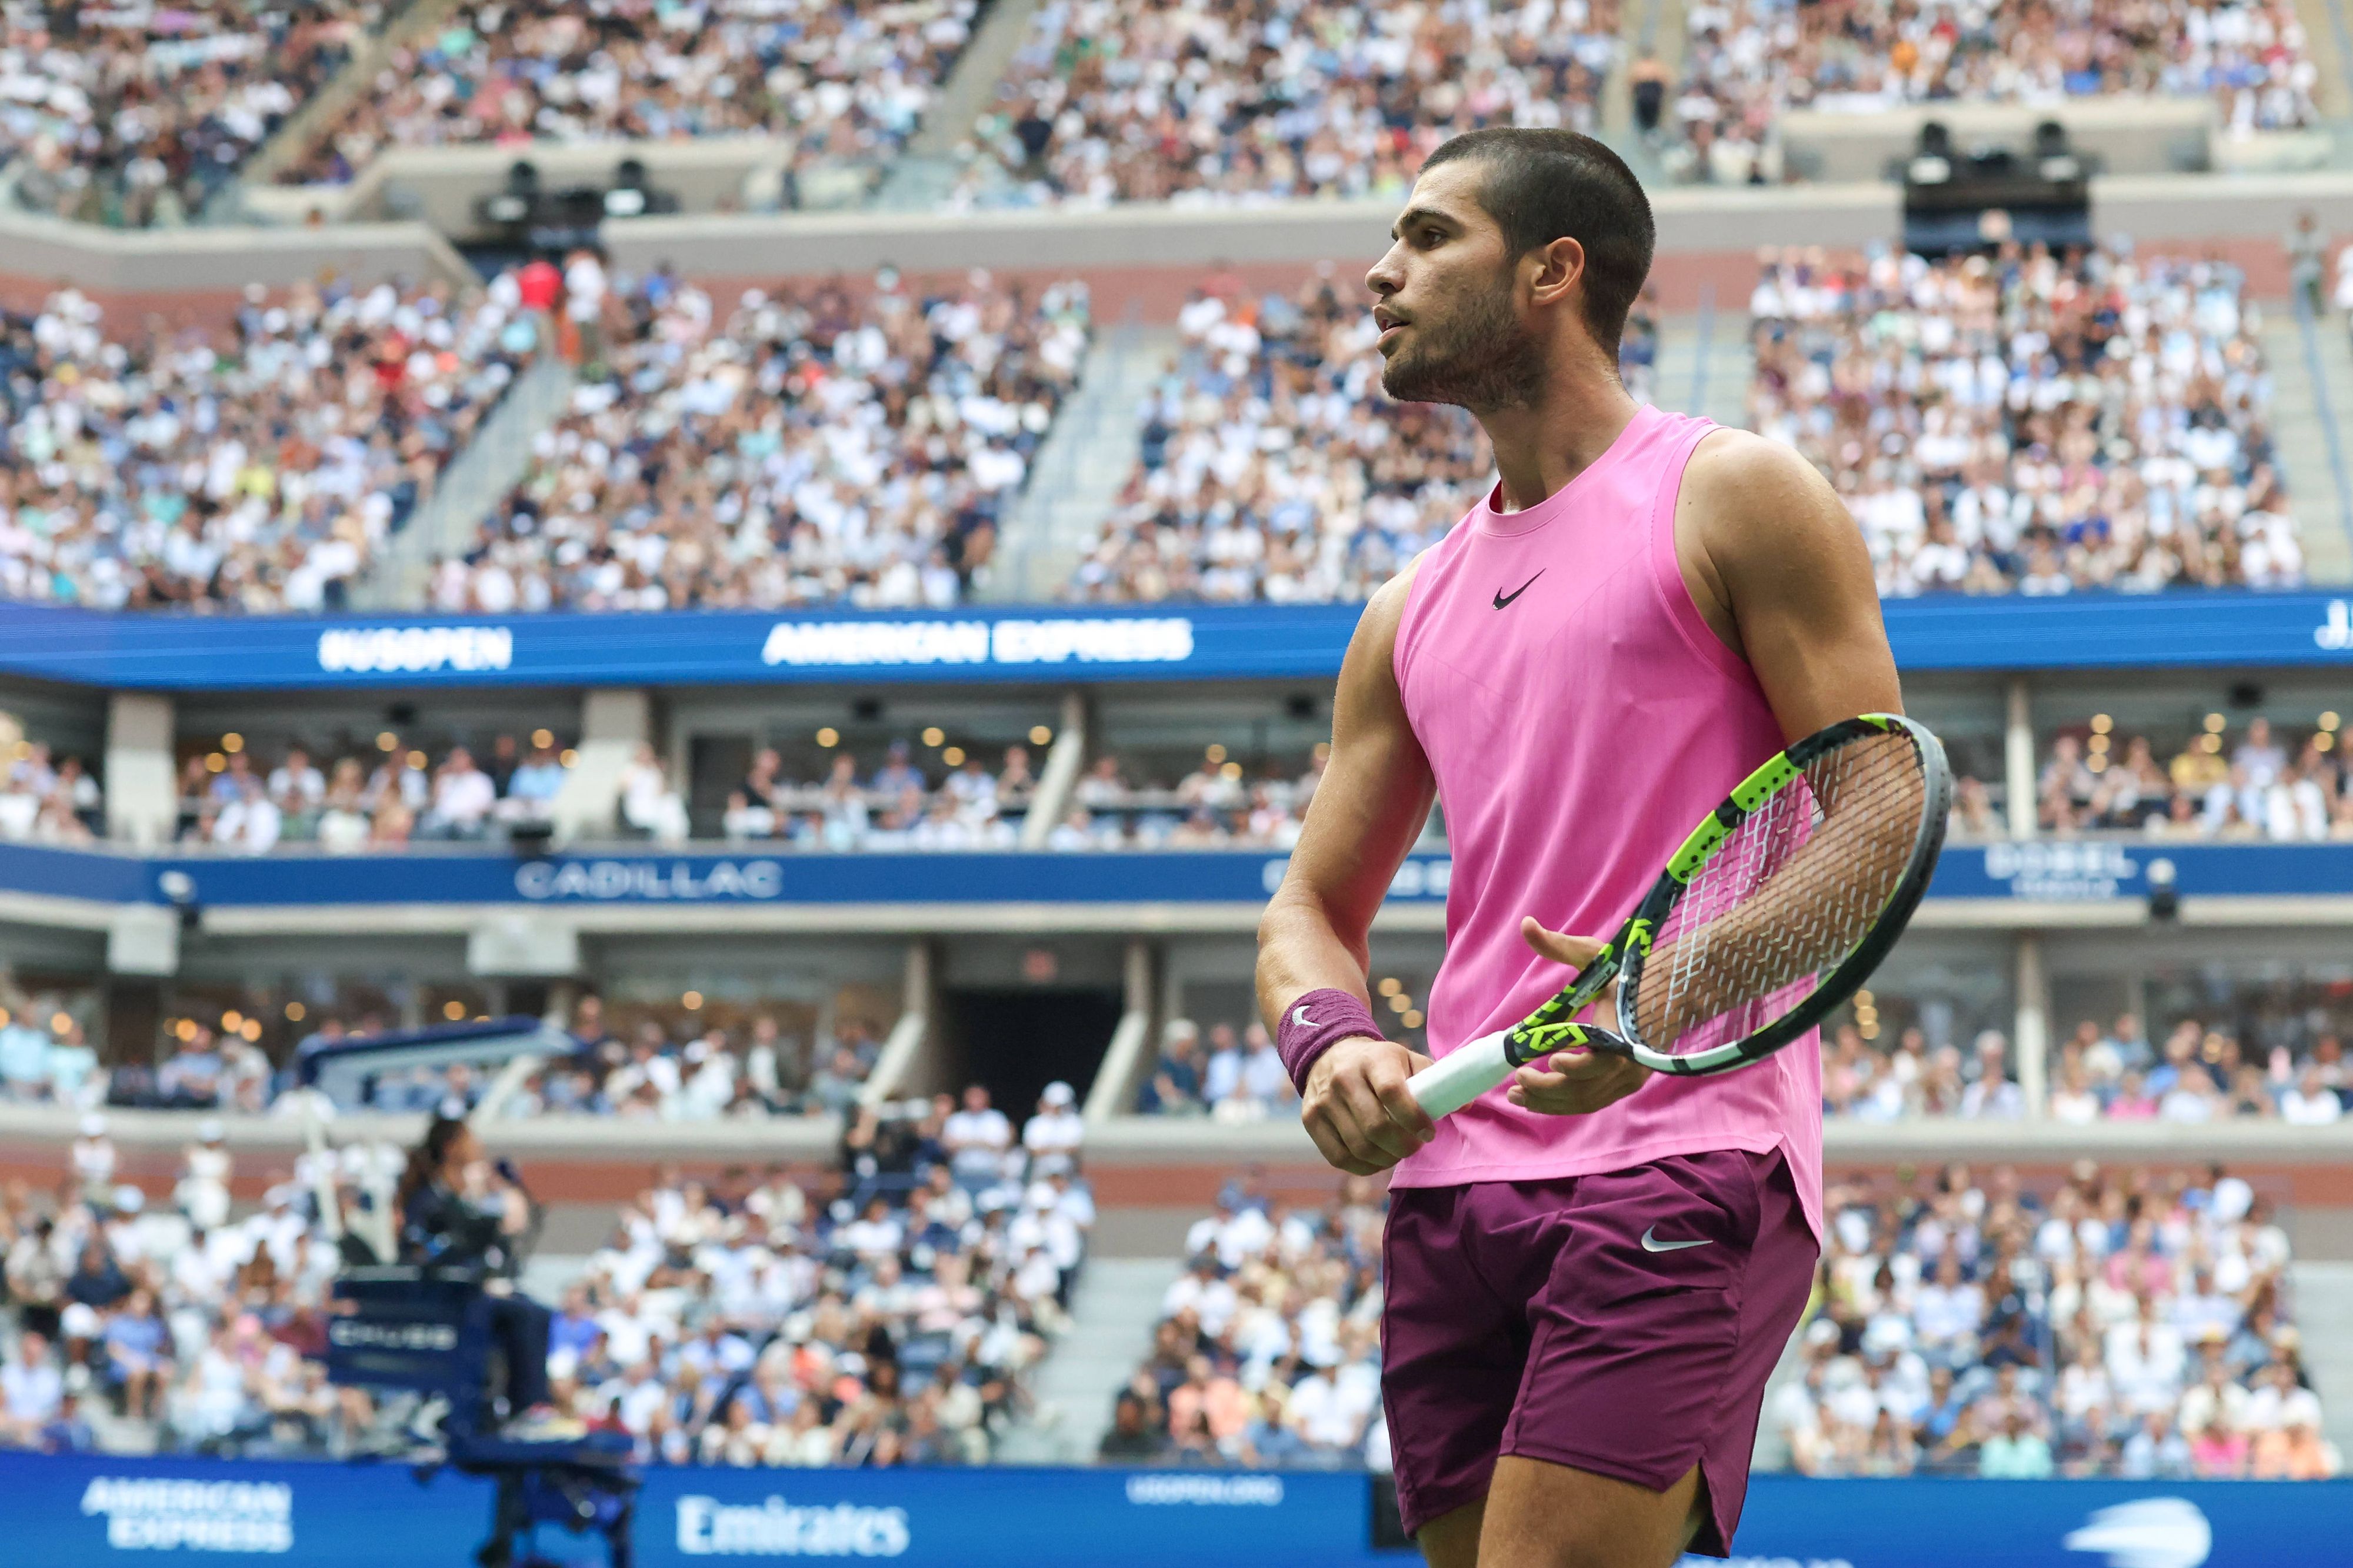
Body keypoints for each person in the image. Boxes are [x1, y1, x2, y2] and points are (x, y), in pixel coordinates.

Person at [1257, 129, 1894, 1566]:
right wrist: (1327, 1039)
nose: (1378, 271)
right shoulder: (1402, 605)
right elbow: (1306, 907)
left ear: (1551, 270)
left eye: (1427, 237)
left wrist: (1667, 990)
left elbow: (1885, 806)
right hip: (1453, 1174)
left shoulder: (1735, 494)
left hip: (1683, 1143)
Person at [392, 1116, 560, 1433]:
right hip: (448, 1302)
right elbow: (429, 1254)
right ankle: (526, 1406)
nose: (479, 1147)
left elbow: (483, 1236)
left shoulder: (449, 1197)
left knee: (533, 1311)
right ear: (451, 1147)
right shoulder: (429, 1199)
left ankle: (528, 1406)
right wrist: (479, 1278)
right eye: (470, 1140)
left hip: (464, 1296)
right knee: (526, 1313)